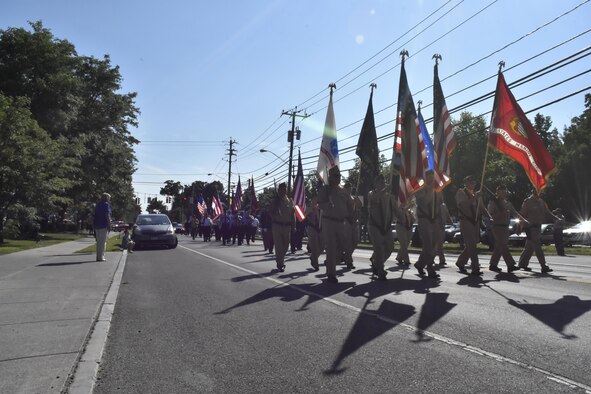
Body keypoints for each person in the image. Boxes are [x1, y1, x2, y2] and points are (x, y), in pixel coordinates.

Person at [318, 166, 352, 283]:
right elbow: (320, 204)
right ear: (330, 177)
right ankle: (331, 274)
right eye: (335, 176)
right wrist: (327, 204)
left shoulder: (343, 191)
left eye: (339, 176)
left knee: (343, 246)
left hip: (341, 222)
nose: (338, 178)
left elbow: (350, 205)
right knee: (331, 248)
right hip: (329, 221)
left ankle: (330, 263)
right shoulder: (325, 190)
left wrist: (354, 207)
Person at [487, 185, 527, 272]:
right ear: (497, 193)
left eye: (505, 192)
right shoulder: (493, 202)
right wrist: (500, 211)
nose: (504, 194)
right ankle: (510, 264)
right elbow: (490, 214)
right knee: (503, 245)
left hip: (505, 227)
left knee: (499, 246)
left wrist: (523, 220)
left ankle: (493, 264)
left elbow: (515, 212)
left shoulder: (507, 203)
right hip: (497, 226)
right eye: (502, 192)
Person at [518, 189, 560, 273]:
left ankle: (522, 264)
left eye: (540, 191)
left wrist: (556, 218)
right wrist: (520, 226)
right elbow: (521, 215)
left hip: (538, 228)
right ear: (533, 191)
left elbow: (547, 212)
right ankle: (543, 266)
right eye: (537, 191)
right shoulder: (528, 202)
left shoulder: (541, 201)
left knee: (529, 247)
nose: (539, 193)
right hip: (531, 228)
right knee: (537, 247)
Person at [455, 175, 489, 275]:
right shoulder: (461, 192)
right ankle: (475, 267)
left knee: (472, 244)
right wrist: (475, 197)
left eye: (473, 182)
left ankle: (461, 262)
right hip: (466, 220)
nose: (472, 184)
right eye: (470, 182)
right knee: (472, 245)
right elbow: (463, 205)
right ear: (465, 183)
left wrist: (490, 217)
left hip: (475, 221)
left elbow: (482, 208)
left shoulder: (476, 194)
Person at [414, 170, 442, 279]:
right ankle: (430, 268)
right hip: (424, 220)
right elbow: (424, 202)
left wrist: (439, 219)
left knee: (434, 245)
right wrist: (431, 191)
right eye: (429, 177)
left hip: (434, 220)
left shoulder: (437, 190)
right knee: (428, 245)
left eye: (432, 176)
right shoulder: (420, 189)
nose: (431, 178)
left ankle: (420, 264)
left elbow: (439, 205)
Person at [367, 174, 396, 281]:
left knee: (390, 248)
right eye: (379, 182)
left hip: (386, 226)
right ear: (375, 184)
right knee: (379, 248)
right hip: (375, 225)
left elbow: (396, 210)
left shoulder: (389, 196)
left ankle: (377, 264)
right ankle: (380, 271)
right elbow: (374, 198)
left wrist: (402, 215)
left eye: (383, 182)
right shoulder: (371, 193)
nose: (382, 184)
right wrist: (384, 190)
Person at [269, 183, 293, 272]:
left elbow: (292, 213)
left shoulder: (289, 200)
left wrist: (293, 226)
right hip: (277, 226)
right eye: (281, 189)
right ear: (279, 190)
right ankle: (280, 264)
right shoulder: (275, 200)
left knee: (286, 246)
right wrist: (275, 218)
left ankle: (279, 259)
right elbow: (270, 212)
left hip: (287, 226)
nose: (283, 190)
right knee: (279, 246)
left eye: (284, 189)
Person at [342, 182, 363, 269]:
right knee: (348, 242)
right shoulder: (342, 197)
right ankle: (349, 261)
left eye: (350, 188)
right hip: (346, 220)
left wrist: (357, 200)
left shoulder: (354, 197)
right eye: (347, 188)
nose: (349, 189)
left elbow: (360, 206)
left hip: (354, 221)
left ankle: (346, 255)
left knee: (355, 241)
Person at [305, 196, 324, 271]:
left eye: (317, 199)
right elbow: (303, 216)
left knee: (322, 246)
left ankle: (313, 257)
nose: (316, 200)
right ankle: (315, 264)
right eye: (314, 199)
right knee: (315, 248)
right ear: (312, 200)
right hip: (312, 228)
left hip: (320, 229)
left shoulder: (321, 208)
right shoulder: (309, 208)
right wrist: (312, 210)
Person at [395, 199, 414, 267]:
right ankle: (406, 260)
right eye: (404, 201)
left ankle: (399, 257)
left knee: (406, 244)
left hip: (408, 227)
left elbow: (413, 219)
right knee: (403, 243)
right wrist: (406, 209)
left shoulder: (409, 211)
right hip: (400, 226)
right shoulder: (399, 209)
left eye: (406, 201)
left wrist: (412, 216)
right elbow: (399, 216)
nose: (406, 202)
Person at [94, 192, 111, 262]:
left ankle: (98, 256)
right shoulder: (106, 205)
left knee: (98, 242)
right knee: (103, 242)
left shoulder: (97, 205)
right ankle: (101, 257)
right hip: (103, 225)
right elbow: (107, 215)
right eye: (109, 198)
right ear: (107, 198)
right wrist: (109, 224)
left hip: (97, 225)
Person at [434, 199, 452, 266]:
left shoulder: (444, 206)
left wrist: (450, 221)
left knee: (440, 244)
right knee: (436, 244)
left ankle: (441, 260)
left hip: (442, 226)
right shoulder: (433, 205)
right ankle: (436, 259)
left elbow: (447, 214)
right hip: (436, 226)